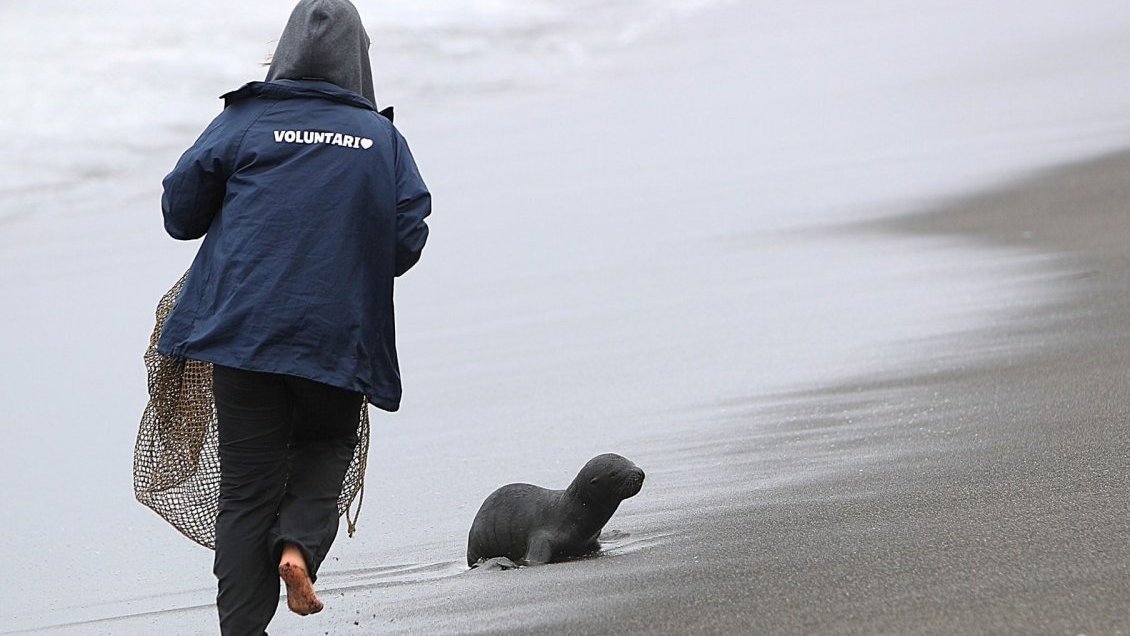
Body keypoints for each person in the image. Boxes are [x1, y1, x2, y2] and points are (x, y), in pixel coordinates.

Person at [156, 0, 430, 633]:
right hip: (336, 341)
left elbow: (179, 212)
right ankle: (298, 549)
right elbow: (406, 241)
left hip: (243, 335)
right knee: (326, 447)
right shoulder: (383, 140)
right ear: (360, 61)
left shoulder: (247, 119)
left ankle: (243, 630)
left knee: (246, 493)